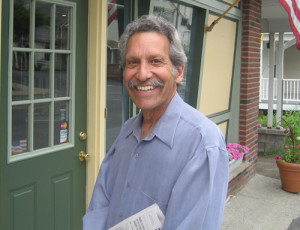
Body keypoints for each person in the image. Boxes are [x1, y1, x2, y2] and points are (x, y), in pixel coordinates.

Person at [83, 15, 229, 230]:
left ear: (178, 72)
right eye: (133, 62)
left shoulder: (202, 143)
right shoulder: (128, 130)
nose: (142, 74)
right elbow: (101, 202)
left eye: (155, 61)